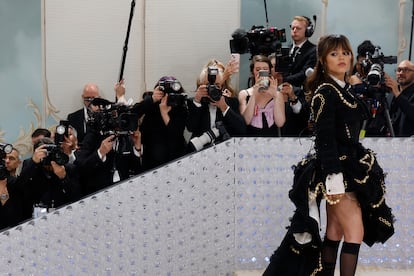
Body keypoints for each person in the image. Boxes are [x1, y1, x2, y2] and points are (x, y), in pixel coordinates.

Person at [263, 34, 394, 276]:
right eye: (334, 54)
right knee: (355, 234)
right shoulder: (326, 91)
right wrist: (333, 178)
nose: (341, 57)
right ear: (323, 60)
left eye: (345, 52)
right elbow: (324, 139)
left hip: (350, 168)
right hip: (339, 172)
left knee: (335, 232)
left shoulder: (344, 88)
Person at [121, 76, 188, 171]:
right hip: (151, 161)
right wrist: (152, 99)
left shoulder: (180, 108)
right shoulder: (151, 105)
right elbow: (130, 116)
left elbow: (176, 134)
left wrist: (164, 112)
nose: (167, 98)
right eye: (164, 94)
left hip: (174, 161)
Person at [186, 59, 246, 151]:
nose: (212, 88)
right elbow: (191, 127)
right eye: (208, 85)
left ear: (222, 86)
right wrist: (197, 100)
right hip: (200, 152)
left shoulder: (231, 102)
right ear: (201, 85)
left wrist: (224, 108)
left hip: (225, 151)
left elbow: (241, 129)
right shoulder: (195, 102)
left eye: (217, 85)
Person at [19, 137, 81, 219]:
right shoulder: (30, 164)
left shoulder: (68, 168)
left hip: (63, 212)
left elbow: (77, 196)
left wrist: (64, 177)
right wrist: (33, 162)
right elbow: (21, 185)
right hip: (37, 214)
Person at [349, 40, 390, 137]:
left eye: (368, 65)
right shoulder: (350, 79)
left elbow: (391, 92)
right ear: (357, 61)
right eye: (362, 64)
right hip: (356, 125)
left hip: (377, 126)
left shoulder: (380, 77)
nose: (364, 68)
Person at [238, 55, 285, 136]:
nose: (261, 72)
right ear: (253, 72)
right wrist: (254, 95)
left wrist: (275, 96)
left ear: (270, 71)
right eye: (258, 69)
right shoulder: (244, 94)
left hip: (272, 140)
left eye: (265, 69)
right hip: (250, 139)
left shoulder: (277, 94)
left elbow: (280, 123)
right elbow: (246, 120)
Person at [269, 53, 310, 137]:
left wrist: (293, 97)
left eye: (280, 65)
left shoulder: (296, 91)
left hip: (292, 139)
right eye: (274, 66)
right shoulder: (263, 92)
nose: (278, 69)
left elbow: (303, 119)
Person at [280, 15, 317, 88]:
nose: (294, 31)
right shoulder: (286, 49)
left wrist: (282, 80)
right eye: (293, 28)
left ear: (308, 31)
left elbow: (304, 74)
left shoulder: (314, 50)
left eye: (298, 28)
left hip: (301, 91)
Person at [384, 59, 414, 136]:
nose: (401, 73)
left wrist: (397, 93)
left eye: (406, 70)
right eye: (399, 70)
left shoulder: (396, 92)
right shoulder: (391, 94)